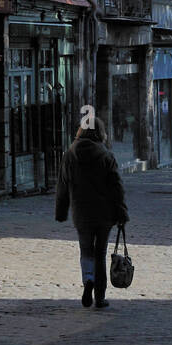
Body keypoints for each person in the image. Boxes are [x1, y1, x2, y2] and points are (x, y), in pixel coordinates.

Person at [55, 117, 129, 310]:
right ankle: (100, 296)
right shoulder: (106, 155)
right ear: (100, 132)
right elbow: (116, 188)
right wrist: (121, 212)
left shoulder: (70, 154)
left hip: (81, 212)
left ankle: (88, 280)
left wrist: (61, 211)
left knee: (86, 250)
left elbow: (62, 186)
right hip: (104, 214)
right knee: (100, 253)